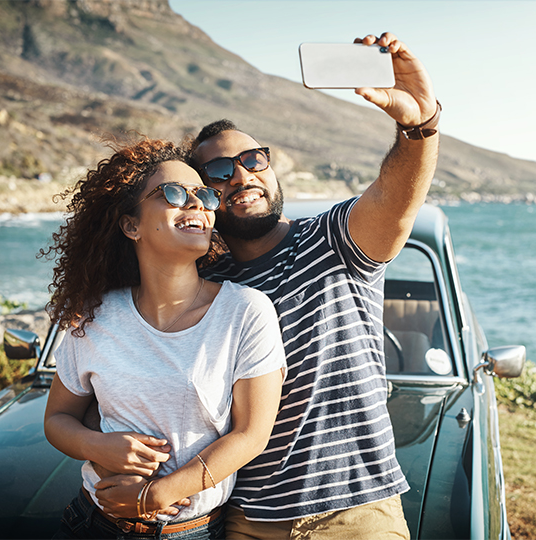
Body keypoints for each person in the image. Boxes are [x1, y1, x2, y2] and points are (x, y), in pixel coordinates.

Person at [187, 32, 439, 539]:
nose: (240, 176)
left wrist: (420, 126)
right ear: (202, 195)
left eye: (252, 159)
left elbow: (396, 198)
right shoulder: (202, 281)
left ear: (270, 166)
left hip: (355, 514)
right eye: (217, 171)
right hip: (247, 518)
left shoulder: (332, 239)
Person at [41, 138, 286, 539]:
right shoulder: (94, 315)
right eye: (172, 193)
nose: (197, 205)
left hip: (190, 532)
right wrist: (96, 446)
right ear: (131, 225)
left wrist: (158, 494)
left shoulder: (245, 311)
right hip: (92, 523)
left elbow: (252, 435)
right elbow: (57, 419)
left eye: (204, 195)